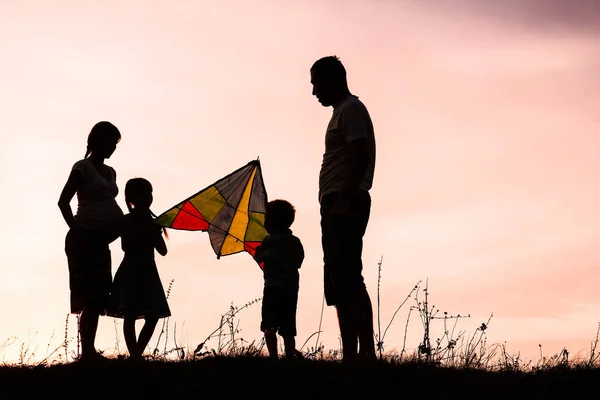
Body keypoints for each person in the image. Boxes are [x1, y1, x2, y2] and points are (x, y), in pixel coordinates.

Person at [310, 55, 377, 362]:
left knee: (348, 275)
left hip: (344, 202)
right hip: (336, 202)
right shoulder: (341, 112)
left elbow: (360, 154)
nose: (314, 92)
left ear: (332, 79)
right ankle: (352, 353)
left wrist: (345, 200)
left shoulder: (350, 110)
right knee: (338, 277)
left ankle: (364, 353)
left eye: (316, 83)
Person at [58, 121, 124, 362]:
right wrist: (77, 229)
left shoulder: (111, 172)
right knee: (89, 294)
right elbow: (63, 201)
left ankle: (89, 351)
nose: (112, 148)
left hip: (101, 241)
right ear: (97, 141)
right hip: (85, 238)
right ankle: (87, 352)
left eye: (115, 144)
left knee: (99, 294)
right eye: (110, 142)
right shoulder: (82, 167)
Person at [108, 178, 171, 360]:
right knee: (130, 314)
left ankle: (136, 354)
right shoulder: (126, 221)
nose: (147, 197)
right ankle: (135, 355)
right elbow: (126, 246)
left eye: (149, 193)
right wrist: (148, 231)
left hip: (148, 272)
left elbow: (163, 250)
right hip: (131, 271)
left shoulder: (153, 222)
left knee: (152, 316)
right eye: (142, 193)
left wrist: (155, 232)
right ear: (132, 198)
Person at [254, 200, 304, 360]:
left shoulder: (269, 241)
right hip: (290, 290)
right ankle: (288, 356)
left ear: (274, 221)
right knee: (288, 327)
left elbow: (260, 257)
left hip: (273, 289)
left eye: (267, 218)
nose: (264, 222)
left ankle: (274, 357)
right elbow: (299, 260)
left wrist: (263, 252)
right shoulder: (294, 241)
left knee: (269, 324)